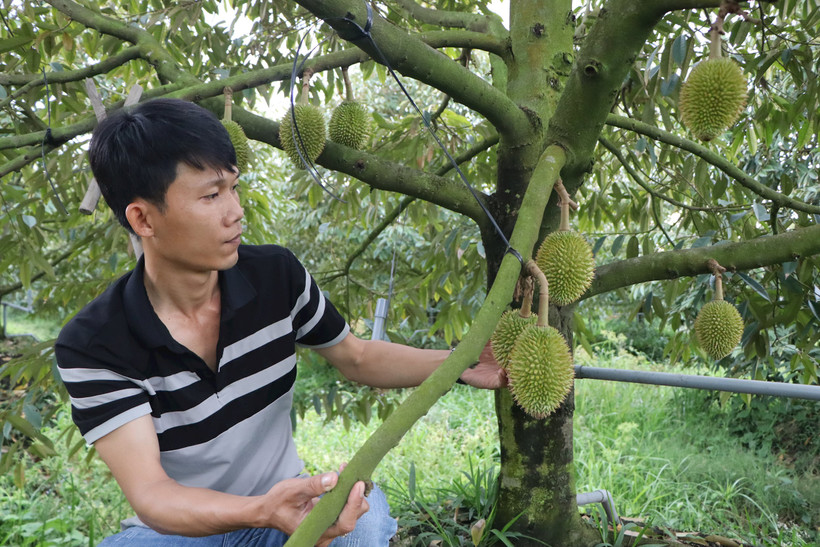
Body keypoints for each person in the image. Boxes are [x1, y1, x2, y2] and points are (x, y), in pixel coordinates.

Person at [54, 98, 506, 547]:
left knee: (361, 528)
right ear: (143, 219)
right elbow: (153, 495)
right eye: (212, 195)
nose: (235, 212)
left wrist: (459, 363)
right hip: (180, 530)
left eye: (233, 188)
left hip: (283, 507)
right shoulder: (94, 344)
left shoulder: (276, 278)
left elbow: (359, 357)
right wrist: (260, 510)